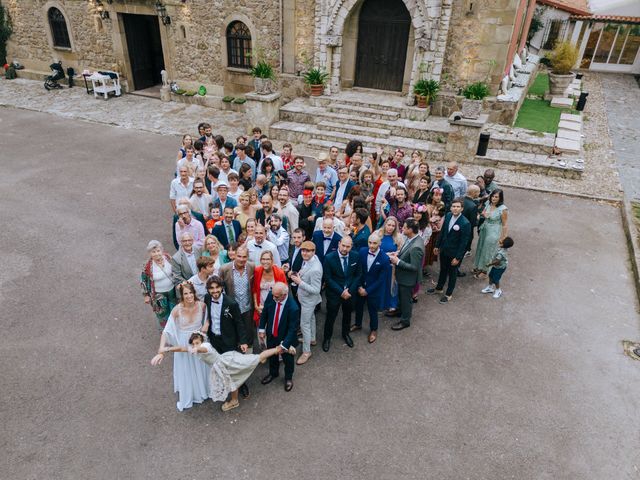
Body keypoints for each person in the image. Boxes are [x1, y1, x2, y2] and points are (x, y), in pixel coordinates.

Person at [152, 331, 284, 412]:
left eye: (197, 342)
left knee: (237, 377)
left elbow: (202, 350)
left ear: (202, 341)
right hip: (221, 365)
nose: (195, 345)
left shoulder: (205, 346)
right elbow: (182, 348)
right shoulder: (197, 346)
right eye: (193, 343)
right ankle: (273, 352)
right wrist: (166, 350)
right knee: (246, 368)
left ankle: (234, 401)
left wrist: (196, 349)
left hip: (224, 364)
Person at [150, 282, 210, 411]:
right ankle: (191, 393)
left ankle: (203, 390)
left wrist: (206, 326)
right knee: (187, 369)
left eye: (190, 293)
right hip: (183, 342)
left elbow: (209, 317)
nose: (189, 296)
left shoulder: (202, 306)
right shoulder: (177, 310)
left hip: (198, 340)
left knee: (201, 366)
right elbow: (167, 331)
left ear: (194, 293)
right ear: (182, 296)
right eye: (185, 294)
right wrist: (161, 350)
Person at [202, 275, 249, 403]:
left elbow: (239, 323)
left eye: (217, 288)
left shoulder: (231, 303)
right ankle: (225, 384)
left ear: (222, 288)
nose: (215, 291)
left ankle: (242, 385)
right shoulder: (206, 298)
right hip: (214, 339)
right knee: (219, 364)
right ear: (208, 290)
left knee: (234, 365)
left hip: (229, 340)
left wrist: (243, 341)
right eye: (211, 288)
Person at [428, 198, 471, 304]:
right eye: (453, 206)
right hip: (444, 250)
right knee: (442, 269)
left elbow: (464, 243)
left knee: (452, 273)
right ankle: (439, 288)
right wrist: (437, 245)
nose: (455, 209)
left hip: (454, 253)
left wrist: (458, 257)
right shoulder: (447, 216)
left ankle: (448, 294)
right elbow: (442, 232)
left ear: (462, 209)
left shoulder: (465, 223)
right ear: (451, 207)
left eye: (458, 207)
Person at [259, 282, 300, 392]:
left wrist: (284, 345)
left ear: (284, 295)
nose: (273, 298)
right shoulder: (272, 296)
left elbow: (293, 329)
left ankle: (288, 378)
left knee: (288, 360)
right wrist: (262, 328)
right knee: (272, 356)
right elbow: (265, 313)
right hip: (272, 334)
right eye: (273, 295)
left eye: (276, 296)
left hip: (286, 338)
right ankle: (273, 373)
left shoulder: (293, 307)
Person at [322, 236, 361, 351]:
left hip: (350, 293)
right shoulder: (329, 258)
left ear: (351, 247)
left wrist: (349, 291)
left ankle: (346, 334)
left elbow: (358, 275)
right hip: (334, 293)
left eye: (348, 246)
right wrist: (341, 292)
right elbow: (328, 278)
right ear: (339, 244)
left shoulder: (356, 256)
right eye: (343, 245)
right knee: (331, 316)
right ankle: (327, 338)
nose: (344, 248)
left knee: (347, 315)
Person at [289, 241, 322, 365]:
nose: (304, 253)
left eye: (308, 251)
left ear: (313, 252)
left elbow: (316, 290)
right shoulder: (311, 260)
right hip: (305, 298)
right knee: (311, 318)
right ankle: (312, 339)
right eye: (303, 250)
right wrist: (299, 275)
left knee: (304, 325)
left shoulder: (316, 269)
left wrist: (299, 282)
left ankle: (307, 352)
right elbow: (305, 270)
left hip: (309, 300)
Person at [389, 218, 425, 330]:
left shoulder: (416, 247)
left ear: (410, 230)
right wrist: (398, 254)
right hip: (403, 277)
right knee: (401, 297)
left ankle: (405, 321)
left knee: (406, 300)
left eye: (404, 227)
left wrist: (397, 261)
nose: (402, 229)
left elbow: (414, 267)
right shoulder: (411, 238)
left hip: (408, 279)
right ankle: (399, 312)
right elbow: (406, 252)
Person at [219, 246, 256, 355]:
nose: (241, 259)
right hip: (232, 308)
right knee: (233, 331)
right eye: (239, 256)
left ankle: (248, 354)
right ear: (234, 255)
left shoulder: (252, 267)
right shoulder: (224, 269)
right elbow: (220, 288)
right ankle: (235, 354)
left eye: (244, 257)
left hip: (247, 307)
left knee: (249, 331)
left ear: (247, 257)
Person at [353, 234, 390, 343]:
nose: (371, 245)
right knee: (358, 307)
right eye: (370, 242)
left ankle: (374, 330)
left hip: (374, 290)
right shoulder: (362, 251)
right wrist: (359, 286)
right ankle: (357, 324)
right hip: (361, 287)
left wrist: (367, 291)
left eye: (374, 243)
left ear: (380, 243)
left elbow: (381, 280)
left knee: (372, 310)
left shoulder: (384, 258)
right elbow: (358, 271)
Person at [141, 240, 177, 331]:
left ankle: (176, 330)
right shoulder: (147, 266)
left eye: (158, 251)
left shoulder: (168, 258)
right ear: (150, 253)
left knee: (175, 311)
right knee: (162, 315)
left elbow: (176, 271)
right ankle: (166, 332)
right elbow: (143, 280)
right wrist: (146, 295)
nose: (156, 254)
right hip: (158, 295)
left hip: (172, 291)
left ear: (162, 250)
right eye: (153, 252)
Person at [473, 189, 508, 278]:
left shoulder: (503, 209)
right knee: (481, 248)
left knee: (488, 251)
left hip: (494, 231)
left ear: (500, 198)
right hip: (485, 229)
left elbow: (505, 224)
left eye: (496, 197)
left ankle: (485, 271)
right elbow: (484, 212)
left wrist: (503, 238)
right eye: (492, 196)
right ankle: (479, 266)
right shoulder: (488, 203)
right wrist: (482, 215)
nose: (493, 198)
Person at [252, 250, 287, 326]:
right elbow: (254, 290)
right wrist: (256, 306)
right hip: (261, 306)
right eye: (263, 259)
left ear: (272, 260)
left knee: (274, 329)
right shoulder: (257, 271)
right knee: (261, 329)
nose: (265, 261)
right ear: (260, 260)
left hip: (275, 305)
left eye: (268, 259)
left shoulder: (279, 273)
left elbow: (285, 293)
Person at [377, 216, 404, 316]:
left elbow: (401, 250)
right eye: (389, 225)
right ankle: (380, 304)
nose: (391, 227)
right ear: (385, 224)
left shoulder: (399, 237)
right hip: (380, 264)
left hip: (392, 266)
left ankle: (392, 304)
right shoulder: (378, 234)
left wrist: (396, 253)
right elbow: (372, 247)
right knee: (381, 284)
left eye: (393, 225)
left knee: (392, 285)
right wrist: (386, 255)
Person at [462, 184, 480, 259]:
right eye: (478, 192)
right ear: (474, 193)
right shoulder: (473, 206)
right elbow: (473, 223)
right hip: (467, 228)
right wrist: (478, 218)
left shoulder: (460, 199)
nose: (479, 194)